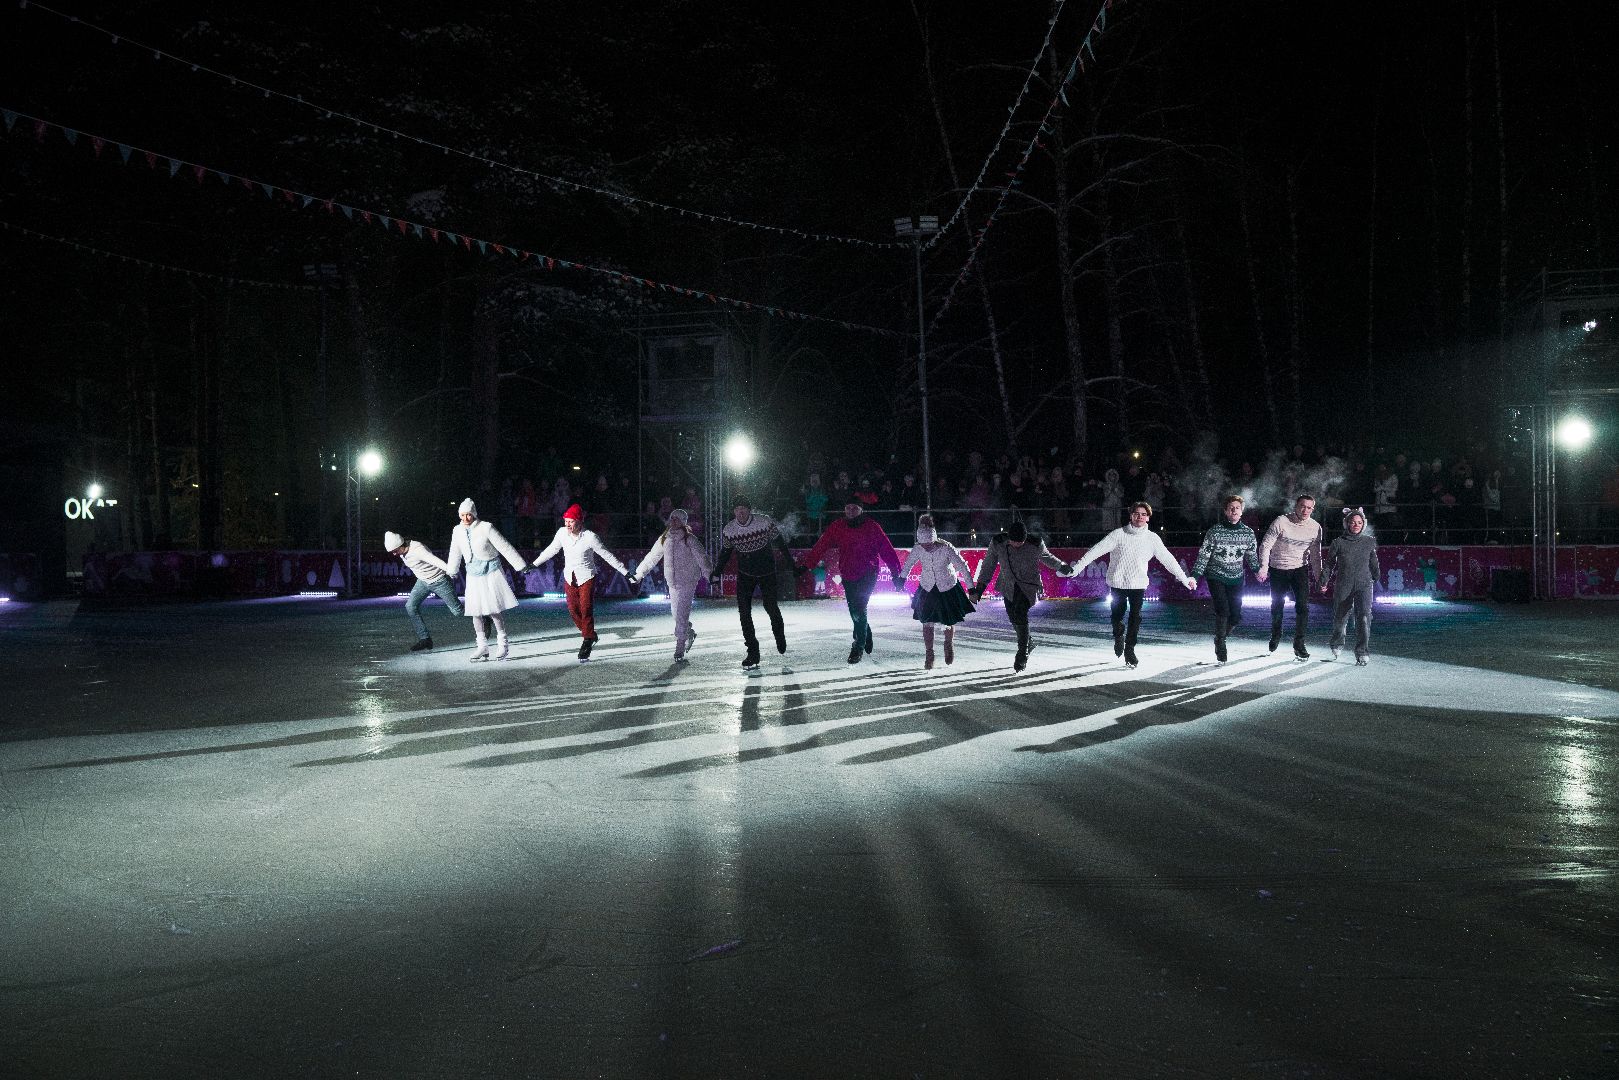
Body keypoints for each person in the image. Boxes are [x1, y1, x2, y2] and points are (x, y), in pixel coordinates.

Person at [1067, 501, 1195, 669]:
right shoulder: (1118, 535)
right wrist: (1076, 568)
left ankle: (1130, 649)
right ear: (1131, 516)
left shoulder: (1152, 539)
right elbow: (1095, 551)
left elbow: (1169, 560)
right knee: (1117, 616)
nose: (1140, 517)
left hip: (1138, 584)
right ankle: (1118, 635)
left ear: (1148, 518)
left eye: (1143, 514)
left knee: (1136, 617)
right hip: (1118, 583)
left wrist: (1184, 579)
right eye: (1136, 514)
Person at [800, 499, 906, 665]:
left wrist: (895, 574)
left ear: (861, 510)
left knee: (859, 609)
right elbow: (822, 545)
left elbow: (887, 550)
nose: (850, 510)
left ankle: (858, 646)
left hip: (868, 573)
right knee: (854, 610)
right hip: (848, 574)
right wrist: (807, 564)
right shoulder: (838, 526)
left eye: (854, 508)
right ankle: (865, 631)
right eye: (847, 507)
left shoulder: (872, 527)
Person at [531, 503, 632, 661]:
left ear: (579, 521)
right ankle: (590, 634)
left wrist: (625, 571)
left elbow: (607, 555)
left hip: (586, 576)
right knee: (573, 610)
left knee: (586, 608)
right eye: (565, 521)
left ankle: (587, 640)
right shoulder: (562, 533)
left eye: (571, 521)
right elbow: (551, 550)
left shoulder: (590, 537)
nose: (567, 524)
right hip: (569, 577)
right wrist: (534, 564)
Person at [968, 520, 1071, 672]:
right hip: (1008, 585)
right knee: (1013, 617)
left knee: (1020, 613)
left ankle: (1022, 653)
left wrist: (1061, 566)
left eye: (1020, 542)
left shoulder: (1035, 543)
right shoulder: (998, 543)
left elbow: (1047, 557)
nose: (1017, 545)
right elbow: (988, 565)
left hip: (1029, 585)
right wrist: (980, 588)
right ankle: (1028, 642)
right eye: (1014, 542)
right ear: (1008, 537)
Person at [711, 497, 801, 670]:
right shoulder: (729, 529)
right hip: (745, 574)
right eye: (737, 509)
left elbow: (780, 543)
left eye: (743, 508)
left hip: (767, 572)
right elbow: (725, 553)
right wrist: (716, 573)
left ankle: (779, 635)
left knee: (770, 607)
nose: (740, 512)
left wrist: (792, 565)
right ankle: (752, 651)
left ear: (749, 510)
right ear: (734, 511)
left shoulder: (763, 522)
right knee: (744, 612)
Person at [444, 498, 526, 661]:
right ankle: (482, 646)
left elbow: (504, 546)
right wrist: (452, 569)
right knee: (475, 611)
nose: (465, 518)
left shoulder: (486, 527)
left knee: (493, 610)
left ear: (474, 514)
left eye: (468, 514)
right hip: (473, 573)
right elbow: (455, 551)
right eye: (462, 515)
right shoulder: (457, 530)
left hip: (490, 571)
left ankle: (503, 643)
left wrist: (520, 565)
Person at [632, 508, 712, 663]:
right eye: (672, 518)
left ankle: (680, 646)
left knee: (681, 615)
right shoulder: (664, 538)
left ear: (683, 522)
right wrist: (639, 573)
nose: (673, 521)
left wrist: (709, 575)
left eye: (677, 519)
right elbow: (652, 557)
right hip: (672, 582)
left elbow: (702, 558)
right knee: (676, 615)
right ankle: (688, 632)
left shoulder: (689, 539)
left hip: (688, 581)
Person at [896, 513, 975, 668]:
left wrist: (971, 588)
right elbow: (908, 564)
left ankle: (948, 644)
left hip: (947, 587)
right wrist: (901, 579)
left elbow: (962, 567)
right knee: (926, 621)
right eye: (923, 544)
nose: (925, 547)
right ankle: (929, 653)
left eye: (928, 544)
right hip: (927, 587)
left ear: (933, 539)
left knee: (948, 620)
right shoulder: (918, 548)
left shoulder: (946, 548)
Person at [1189, 495, 1260, 664]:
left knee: (1235, 617)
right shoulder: (1214, 531)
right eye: (1231, 508)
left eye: (1237, 508)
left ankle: (1221, 637)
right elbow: (1204, 556)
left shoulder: (1248, 533)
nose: (1234, 510)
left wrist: (1258, 570)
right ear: (1226, 511)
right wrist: (1195, 575)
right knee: (1223, 610)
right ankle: (1221, 644)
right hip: (1216, 575)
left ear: (1242, 511)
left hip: (1236, 578)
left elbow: (1251, 556)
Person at [1257, 493, 1324, 660]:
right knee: (1277, 605)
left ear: (1313, 509)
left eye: (1309, 508)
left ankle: (1299, 644)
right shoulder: (1281, 521)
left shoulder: (1315, 527)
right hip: (1278, 568)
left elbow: (1316, 556)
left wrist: (1320, 578)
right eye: (1302, 506)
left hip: (1300, 569)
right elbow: (1265, 545)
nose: (1305, 510)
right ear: (1296, 506)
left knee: (1303, 606)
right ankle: (1276, 634)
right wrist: (1264, 567)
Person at [386, 529, 463, 652]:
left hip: (439, 580)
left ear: (401, 545)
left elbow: (434, 560)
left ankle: (483, 617)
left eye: (395, 551)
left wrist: (450, 570)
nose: (394, 554)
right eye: (392, 552)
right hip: (423, 582)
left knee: (457, 611)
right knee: (410, 606)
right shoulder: (401, 551)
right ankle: (425, 639)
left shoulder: (418, 549)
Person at [1321, 506, 1379, 665]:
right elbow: (1329, 564)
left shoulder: (1369, 541)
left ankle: (1362, 652)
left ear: (1363, 524)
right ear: (1347, 523)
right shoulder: (1338, 542)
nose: (1356, 525)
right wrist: (1324, 580)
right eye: (1353, 522)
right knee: (1340, 617)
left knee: (1364, 617)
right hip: (1344, 584)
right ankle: (1337, 643)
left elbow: (1373, 562)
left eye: (1359, 522)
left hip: (1364, 584)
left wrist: (1377, 576)